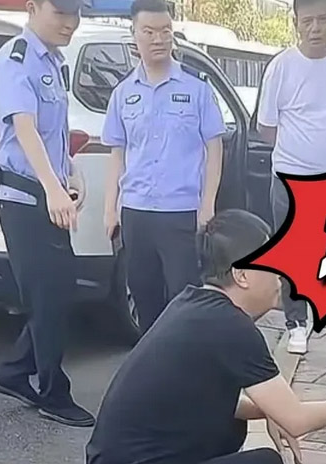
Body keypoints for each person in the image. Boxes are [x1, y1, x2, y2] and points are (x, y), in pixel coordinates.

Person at [85, 209, 326, 464]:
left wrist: (269, 409)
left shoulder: (194, 303)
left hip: (117, 457)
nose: (281, 273)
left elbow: (201, 399)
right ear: (242, 275)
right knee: (266, 461)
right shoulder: (230, 326)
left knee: (229, 427)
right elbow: (297, 421)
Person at [0, 0, 95, 428]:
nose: (70, 22)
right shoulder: (15, 59)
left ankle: (14, 372)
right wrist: (52, 189)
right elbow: (24, 127)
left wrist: (71, 172)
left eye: (76, 13)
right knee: (49, 297)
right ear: (32, 7)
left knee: (60, 290)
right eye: (60, 12)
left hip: (48, 193)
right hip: (24, 198)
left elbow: (53, 133)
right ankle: (53, 392)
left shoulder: (54, 62)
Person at [102, 0, 226, 334]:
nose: (158, 39)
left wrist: (207, 204)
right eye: (149, 32)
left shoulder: (196, 88)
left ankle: (185, 361)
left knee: (185, 300)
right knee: (145, 298)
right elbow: (117, 154)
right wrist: (110, 209)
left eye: (165, 31)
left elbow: (214, 148)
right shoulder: (123, 93)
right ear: (134, 35)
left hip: (181, 213)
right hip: (136, 212)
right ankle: (152, 360)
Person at [257, 0, 326, 354]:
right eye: (307, 21)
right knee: (292, 254)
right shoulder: (281, 67)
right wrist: (299, 151)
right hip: (290, 177)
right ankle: (296, 323)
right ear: (295, 23)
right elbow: (266, 127)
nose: (315, 28)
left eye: (322, 20)